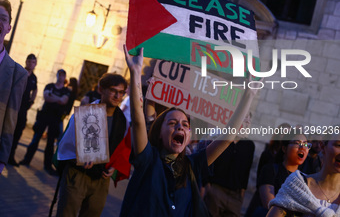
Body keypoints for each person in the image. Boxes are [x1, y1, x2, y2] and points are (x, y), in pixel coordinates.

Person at [120, 45, 259, 216]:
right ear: (159, 133)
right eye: (172, 123)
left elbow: (227, 138)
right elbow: (138, 121)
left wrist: (249, 95)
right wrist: (135, 73)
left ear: (189, 136)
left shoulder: (193, 165)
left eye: (185, 125)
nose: (180, 126)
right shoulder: (149, 159)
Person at [56, 73, 127, 217]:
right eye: (113, 90)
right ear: (101, 90)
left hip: (101, 179)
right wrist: (79, 157)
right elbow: (67, 143)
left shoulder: (122, 120)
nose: (117, 96)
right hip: (78, 175)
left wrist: (114, 166)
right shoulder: (86, 113)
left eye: (121, 92)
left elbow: (119, 149)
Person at [267, 133, 340, 216]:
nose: (302, 148)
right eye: (339, 145)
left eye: (305, 144)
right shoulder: (297, 185)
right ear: (323, 146)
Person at [203, 112, 255, 217]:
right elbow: (209, 162)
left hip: (235, 196)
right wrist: (208, 185)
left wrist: (242, 194)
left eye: (248, 120)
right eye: (244, 118)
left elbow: (246, 171)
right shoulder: (220, 138)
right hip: (216, 190)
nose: (246, 122)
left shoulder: (249, 145)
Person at [19, 69, 70, 175]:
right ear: (57, 75)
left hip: (55, 118)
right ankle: (26, 159)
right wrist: (57, 98)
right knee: (35, 138)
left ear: (64, 77)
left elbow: (63, 101)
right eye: (59, 75)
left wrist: (53, 97)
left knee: (50, 143)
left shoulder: (66, 91)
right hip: (44, 116)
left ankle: (48, 166)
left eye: (62, 76)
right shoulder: (50, 86)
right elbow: (47, 97)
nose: (60, 77)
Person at [251, 134, 310, 217]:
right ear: (284, 148)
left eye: (306, 144)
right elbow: (269, 205)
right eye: (297, 143)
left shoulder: (305, 179)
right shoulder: (270, 170)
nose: (302, 147)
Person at [0, 0, 28, 175]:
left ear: (9, 28)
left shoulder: (18, 74)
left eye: (3, 18)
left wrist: (2, 159)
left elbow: (10, 122)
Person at [8, 54, 38, 166]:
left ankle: (10, 156)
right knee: (8, 130)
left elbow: (35, 90)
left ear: (35, 64)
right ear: (26, 61)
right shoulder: (20, 72)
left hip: (23, 109)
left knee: (17, 133)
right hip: (13, 106)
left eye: (33, 62)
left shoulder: (34, 78)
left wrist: (32, 101)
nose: (31, 64)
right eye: (29, 61)